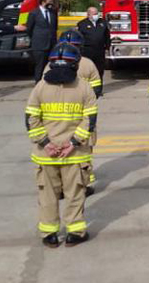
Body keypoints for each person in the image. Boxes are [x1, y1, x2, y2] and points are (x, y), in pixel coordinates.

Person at [25, 42, 97, 247]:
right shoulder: (84, 88)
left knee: (47, 195)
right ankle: (75, 233)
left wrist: (46, 143)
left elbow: (31, 118)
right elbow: (90, 120)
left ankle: (49, 234)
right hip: (75, 155)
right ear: (75, 65)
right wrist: (73, 143)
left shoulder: (40, 87)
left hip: (46, 155)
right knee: (75, 194)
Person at [45, 30, 103, 194]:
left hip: (55, 117)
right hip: (82, 114)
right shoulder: (88, 63)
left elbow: (44, 88)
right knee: (86, 148)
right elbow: (97, 88)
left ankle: (61, 185)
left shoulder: (50, 65)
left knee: (58, 150)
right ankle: (86, 182)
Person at [26, 0, 59, 82]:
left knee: (52, 65)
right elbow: (29, 29)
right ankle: (38, 83)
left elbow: (55, 27)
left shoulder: (53, 12)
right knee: (40, 66)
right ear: (43, 2)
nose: (51, 4)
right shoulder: (34, 13)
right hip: (39, 45)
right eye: (49, 2)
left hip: (52, 44)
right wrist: (36, 39)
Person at [77, 6, 110, 79]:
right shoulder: (82, 24)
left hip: (100, 50)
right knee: (88, 70)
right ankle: (88, 87)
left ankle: (98, 88)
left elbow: (107, 36)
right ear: (88, 14)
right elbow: (79, 39)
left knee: (100, 70)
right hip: (87, 51)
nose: (96, 15)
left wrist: (107, 47)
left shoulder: (103, 22)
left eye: (97, 13)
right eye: (94, 14)